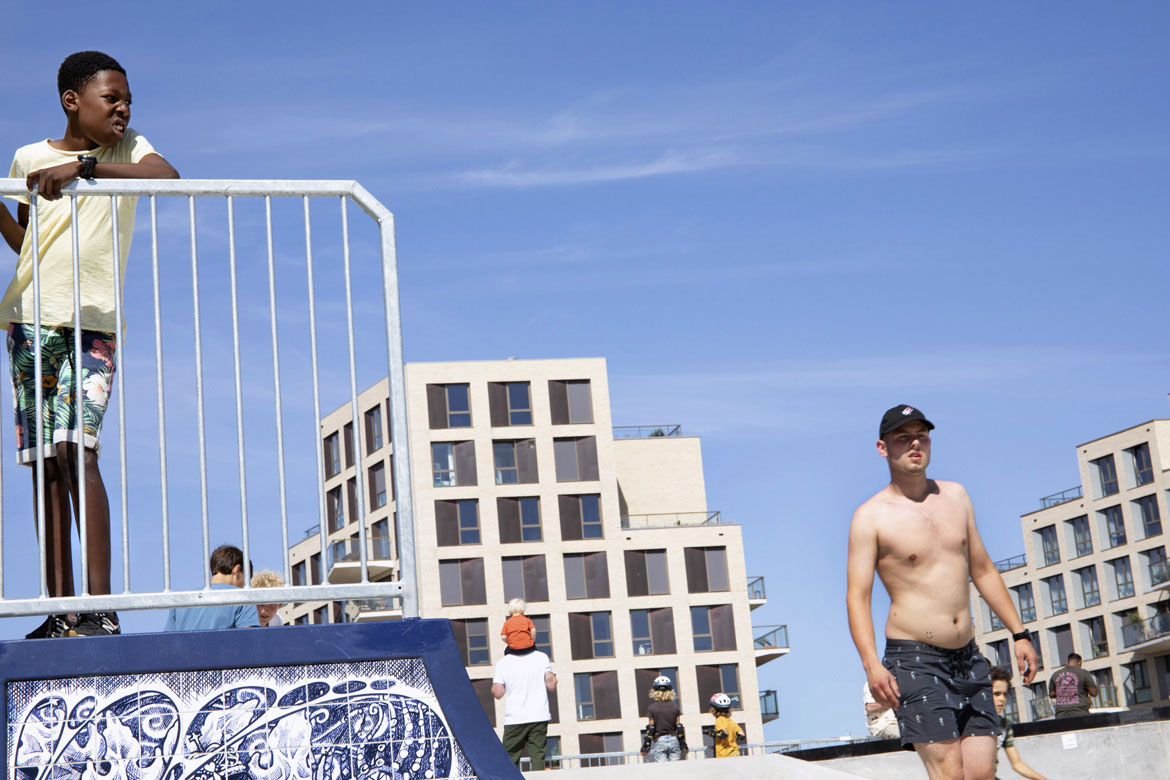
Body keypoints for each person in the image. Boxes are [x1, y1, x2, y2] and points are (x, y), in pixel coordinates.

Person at [0, 51, 178, 639]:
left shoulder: (126, 152)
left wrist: (85, 169)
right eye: (112, 98)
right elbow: (27, 242)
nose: (123, 108)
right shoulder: (28, 156)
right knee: (47, 465)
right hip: (31, 318)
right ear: (72, 100)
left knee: (81, 450)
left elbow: (168, 178)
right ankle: (60, 610)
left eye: (127, 99)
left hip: (93, 322)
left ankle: (99, 607)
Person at [847, 404, 1038, 780]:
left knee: (982, 772)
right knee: (949, 775)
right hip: (914, 659)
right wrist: (872, 664)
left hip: (968, 656)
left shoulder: (956, 496)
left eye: (921, 436)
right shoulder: (870, 516)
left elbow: (981, 569)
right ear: (883, 448)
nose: (914, 444)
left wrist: (1019, 633)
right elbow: (858, 597)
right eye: (903, 438)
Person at [164, 545, 260, 631]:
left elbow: (167, 641)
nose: (244, 586)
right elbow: (250, 641)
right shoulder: (243, 599)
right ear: (237, 570)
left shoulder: (181, 601)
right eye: (246, 580)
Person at [491, 644, 556, 770]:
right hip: (539, 715)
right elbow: (551, 686)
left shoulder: (503, 663)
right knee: (538, 757)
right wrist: (555, 679)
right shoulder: (541, 657)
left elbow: (498, 693)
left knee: (509, 758)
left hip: (515, 718)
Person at [990, 667, 1049, 780]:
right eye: (996, 694)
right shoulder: (969, 722)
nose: (1002, 699)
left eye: (1005, 694)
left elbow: (1017, 763)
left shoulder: (1003, 725)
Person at [641, 675, 686, 762]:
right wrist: (683, 746)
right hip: (674, 740)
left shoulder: (652, 708)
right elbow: (679, 727)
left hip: (660, 741)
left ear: (654, 692)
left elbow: (651, 728)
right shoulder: (675, 707)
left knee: (663, 771)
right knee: (675, 769)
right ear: (670, 692)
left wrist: (645, 747)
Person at [1048, 652, 1098, 719]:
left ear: (1068, 662)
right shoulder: (1083, 673)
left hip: (1061, 715)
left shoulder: (1055, 674)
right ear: (1079, 662)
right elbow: (1094, 693)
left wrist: (1064, 692)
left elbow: (1052, 694)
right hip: (1080, 713)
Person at [709, 693, 743, 758]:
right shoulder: (731, 721)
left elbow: (724, 734)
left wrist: (713, 733)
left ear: (714, 709)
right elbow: (742, 734)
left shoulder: (719, 720)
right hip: (735, 752)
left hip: (725, 754)